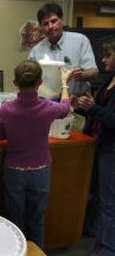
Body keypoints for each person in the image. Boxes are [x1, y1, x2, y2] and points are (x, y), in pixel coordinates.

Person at [0, 60, 71, 248]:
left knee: (15, 221)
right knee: (37, 221)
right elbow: (65, 108)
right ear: (40, 82)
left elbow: (0, 135)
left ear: (15, 83)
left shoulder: (6, 109)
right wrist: (64, 83)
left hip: (14, 170)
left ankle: (17, 251)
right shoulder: (48, 108)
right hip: (40, 170)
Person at [73, 38, 115, 256]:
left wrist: (94, 108)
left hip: (112, 150)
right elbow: (99, 109)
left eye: (108, 55)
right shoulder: (110, 79)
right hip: (100, 144)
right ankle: (95, 233)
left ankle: (106, 250)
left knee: (110, 203)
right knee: (97, 195)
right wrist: (85, 106)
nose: (102, 60)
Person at [28, 2, 98, 94]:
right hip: (48, 103)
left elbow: (94, 72)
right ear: (41, 27)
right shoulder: (36, 51)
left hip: (77, 101)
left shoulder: (80, 40)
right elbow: (29, 79)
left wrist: (81, 75)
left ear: (62, 20)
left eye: (54, 21)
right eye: (45, 24)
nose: (50, 26)